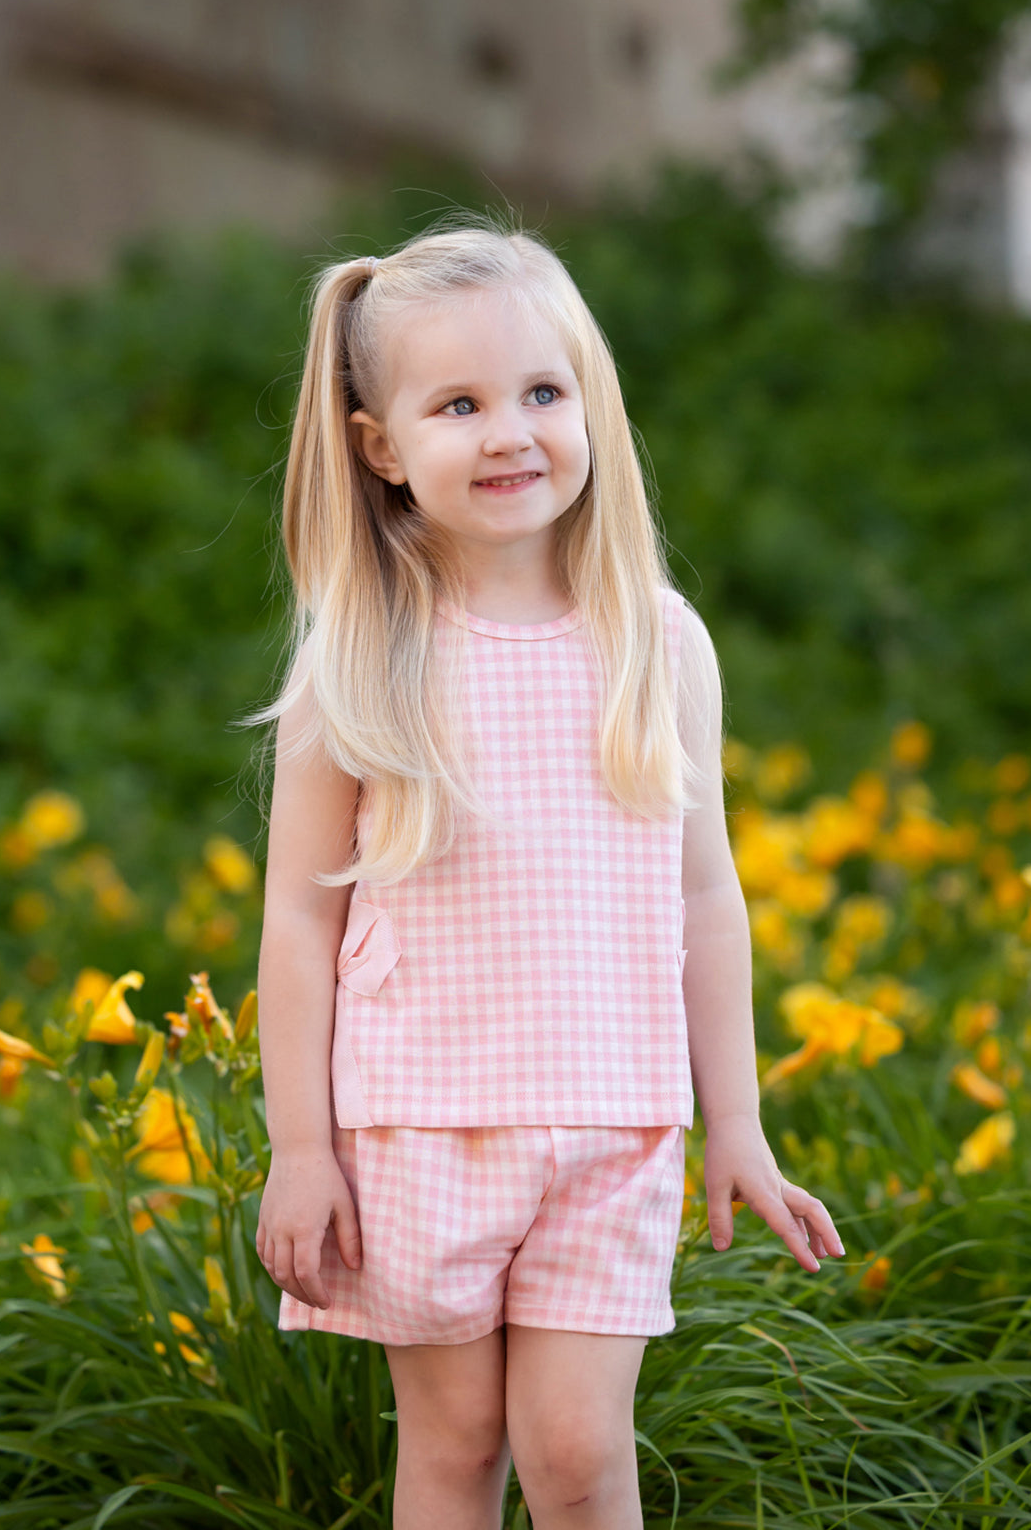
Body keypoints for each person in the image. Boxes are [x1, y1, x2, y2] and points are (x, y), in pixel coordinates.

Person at [250, 221, 845, 1529]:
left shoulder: (656, 642)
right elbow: (299, 920)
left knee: (579, 1457)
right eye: (458, 404)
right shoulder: (361, 657)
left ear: (592, 403)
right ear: (383, 449)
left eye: (542, 391)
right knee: (456, 1451)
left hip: (612, 1129)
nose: (511, 431)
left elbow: (705, 895)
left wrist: (732, 1120)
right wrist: (303, 1147)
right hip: (414, 1127)